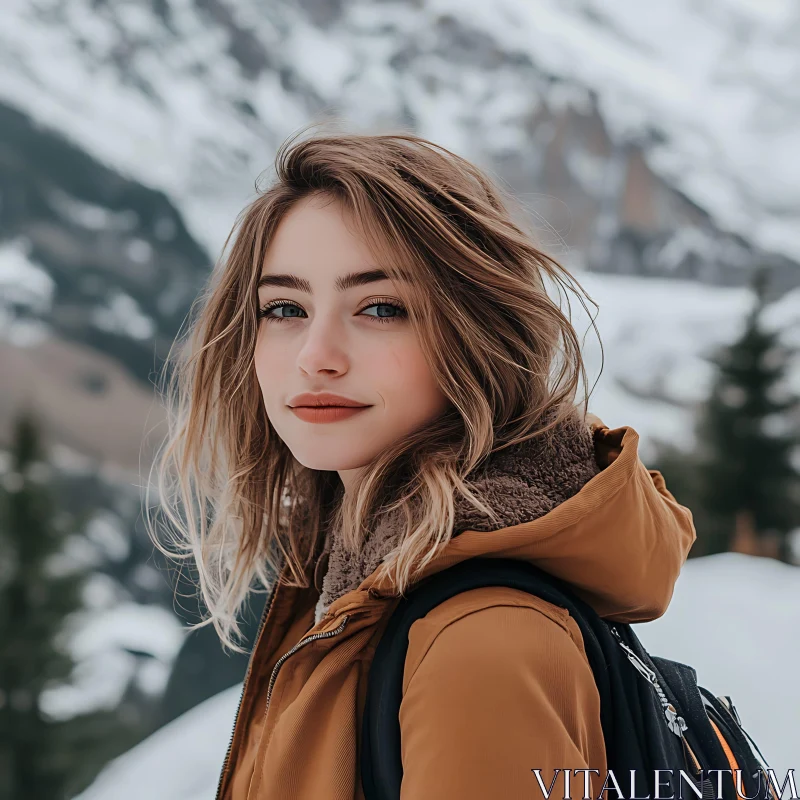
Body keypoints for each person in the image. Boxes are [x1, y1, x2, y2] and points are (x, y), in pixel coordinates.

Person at [149, 129, 697, 800]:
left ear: (477, 333)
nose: (315, 355)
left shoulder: (478, 645)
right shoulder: (357, 584)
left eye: (381, 308)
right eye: (284, 308)